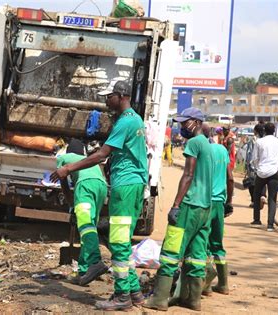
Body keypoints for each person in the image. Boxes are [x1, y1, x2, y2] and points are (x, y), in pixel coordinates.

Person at [51, 80, 148, 311]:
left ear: (122, 95)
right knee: (121, 241)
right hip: (131, 185)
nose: (106, 100)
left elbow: (102, 155)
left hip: (125, 187)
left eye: (109, 96)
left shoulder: (126, 122)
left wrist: (68, 169)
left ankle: (121, 296)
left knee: (117, 242)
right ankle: (134, 292)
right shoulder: (134, 120)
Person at [146, 107, 213, 312]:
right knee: (196, 255)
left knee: (170, 252)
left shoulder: (193, 143)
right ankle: (192, 300)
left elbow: (188, 175)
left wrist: (176, 205)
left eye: (186, 122)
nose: (183, 126)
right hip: (205, 209)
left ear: (197, 122)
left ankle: (159, 299)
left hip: (190, 207)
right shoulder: (208, 145)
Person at [56, 139, 108, 285]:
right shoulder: (89, 161)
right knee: (91, 227)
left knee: (85, 227)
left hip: (84, 186)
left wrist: (71, 204)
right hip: (101, 187)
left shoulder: (64, 158)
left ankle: (95, 261)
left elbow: (63, 183)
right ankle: (85, 271)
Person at [201, 123, 234, 297]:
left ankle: (205, 286)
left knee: (203, 243)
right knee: (217, 243)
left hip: (204, 202)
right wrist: (229, 201)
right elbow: (230, 178)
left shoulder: (200, 149)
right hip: (220, 203)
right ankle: (223, 284)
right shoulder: (222, 151)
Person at [251, 122, 278, 231]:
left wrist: (257, 167)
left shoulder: (259, 142)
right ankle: (270, 225)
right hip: (274, 172)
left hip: (261, 172)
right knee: (272, 198)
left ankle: (257, 220)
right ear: (274, 131)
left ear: (264, 131)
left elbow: (254, 159)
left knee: (256, 195)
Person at [246, 123, 266, 208]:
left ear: (255, 131)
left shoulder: (252, 140)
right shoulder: (265, 140)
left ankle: (254, 201)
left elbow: (249, 153)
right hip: (263, 164)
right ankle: (262, 196)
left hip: (253, 165)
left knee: (251, 183)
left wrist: (247, 165)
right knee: (263, 182)